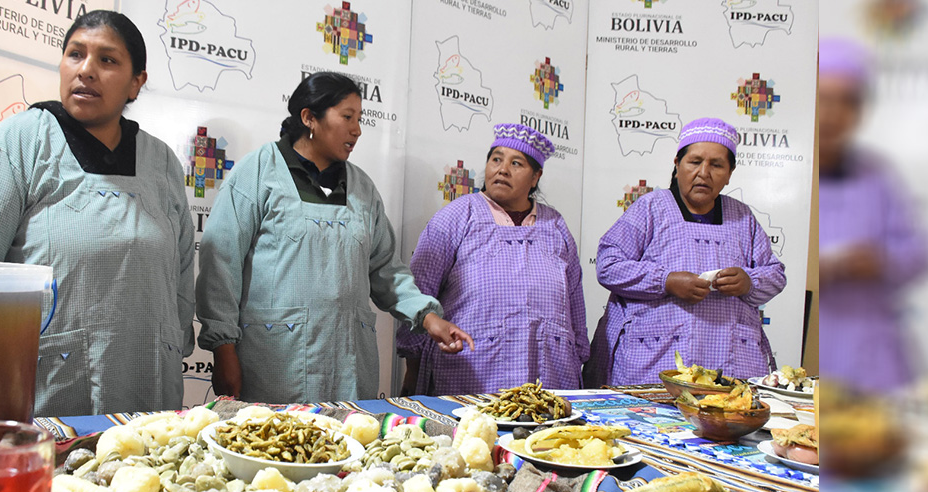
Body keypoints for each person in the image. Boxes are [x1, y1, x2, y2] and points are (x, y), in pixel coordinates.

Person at [0, 11, 194, 416]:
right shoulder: (19, 143)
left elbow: (181, 275)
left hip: (149, 384)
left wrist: (174, 342)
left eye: (107, 60)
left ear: (137, 82)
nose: (87, 71)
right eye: (75, 55)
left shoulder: (161, 160)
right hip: (47, 387)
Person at [196, 71, 472, 404]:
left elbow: (385, 269)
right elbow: (220, 264)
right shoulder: (258, 171)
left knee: (348, 445)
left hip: (348, 366)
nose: (356, 129)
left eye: (360, 119)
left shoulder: (362, 188)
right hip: (272, 362)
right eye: (347, 117)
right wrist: (223, 348)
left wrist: (429, 318)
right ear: (309, 118)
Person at [585, 117, 786, 387]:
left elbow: (775, 273)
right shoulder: (651, 208)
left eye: (716, 165)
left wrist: (749, 282)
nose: (704, 172)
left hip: (728, 360)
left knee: (723, 421)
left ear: (729, 174)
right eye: (695, 162)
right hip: (654, 358)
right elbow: (608, 265)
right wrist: (666, 281)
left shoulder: (742, 217)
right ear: (677, 165)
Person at [397, 124, 586, 395]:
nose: (502, 169)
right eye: (496, 159)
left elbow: (574, 305)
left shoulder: (555, 226)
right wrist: (412, 372)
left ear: (536, 177)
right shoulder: (456, 217)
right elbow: (419, 293)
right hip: (469, 376)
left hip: (548, 378)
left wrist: (577, 356)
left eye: (516, 163)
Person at [818, 38, 928, 392]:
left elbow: (919, 252)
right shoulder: (787, 179)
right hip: (809, 345)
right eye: (825, 99)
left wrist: (880, 261)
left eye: (849, 101)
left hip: (872, 356)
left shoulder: (877, 176)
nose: (834, 113)